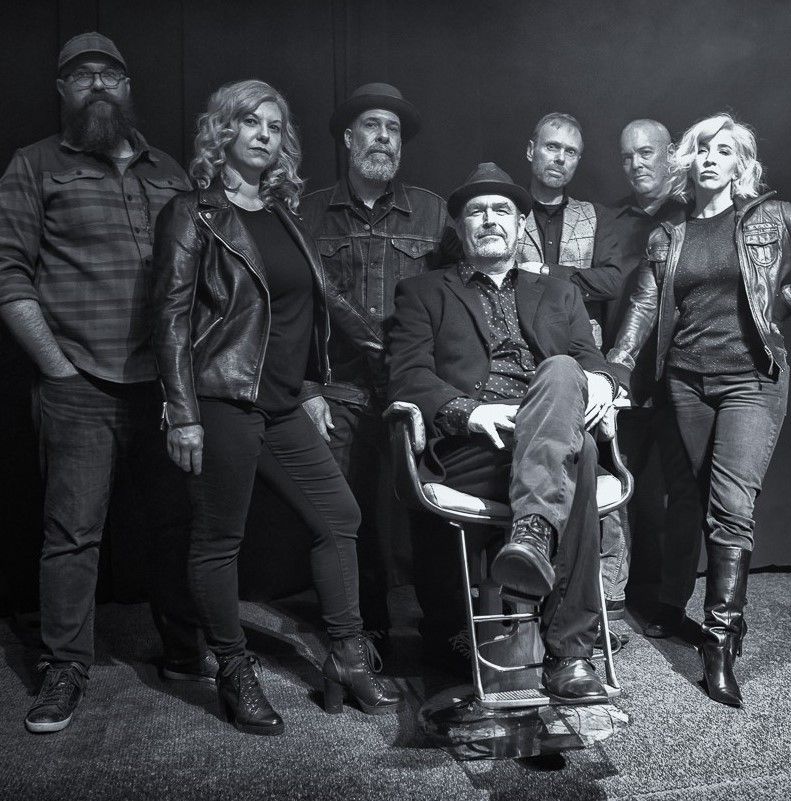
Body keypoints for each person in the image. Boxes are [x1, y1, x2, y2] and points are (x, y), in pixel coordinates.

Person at [152, 79, 402, 736]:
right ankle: (234, 670)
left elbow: (325, 302)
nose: (264, 134)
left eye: (274, 126)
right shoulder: (193, 213)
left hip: (284, 402)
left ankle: (347, 656)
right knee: (219, 539)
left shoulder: (282, 212)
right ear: (223, 131)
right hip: (222, 398)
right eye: (250, 123)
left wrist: (392, 353)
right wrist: (181, 411)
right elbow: (170, 317)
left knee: (338, 515)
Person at [0, 32, 209, 735]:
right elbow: (7, 274)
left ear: (127, 87)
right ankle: (64, 666)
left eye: (109, 74)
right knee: (72, 533)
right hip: (78, 380)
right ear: (62, 90)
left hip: (165, 386)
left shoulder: (169, 170)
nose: (96, 84)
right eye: (81, 74)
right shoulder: (35, 165)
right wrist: (56, 365)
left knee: (175, 526)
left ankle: (183, 650)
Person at [387, 162, 627, 703]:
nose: (490, 219)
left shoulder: (559, 292)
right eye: (477, 211)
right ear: (460, 227)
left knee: (565, 373)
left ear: (521, 225)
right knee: (581, 457)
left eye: (502, 210)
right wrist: (469, 412)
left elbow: (593, 359)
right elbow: (407, 375)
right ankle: (570, 655)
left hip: (548, 421)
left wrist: (603, 384)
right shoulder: (422, 291)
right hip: (476, 446)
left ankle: (532, 533)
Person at [608, 112, 791, 706]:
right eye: (702, 150)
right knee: (691, 497)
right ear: (688, 162)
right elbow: (643, 307)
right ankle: (694, 612)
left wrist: (786, 301)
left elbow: (776, 291)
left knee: (731, 507)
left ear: (741, 164)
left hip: (751, 381)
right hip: (686, 383)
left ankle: (719, 641)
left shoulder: (773, 217)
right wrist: (617, 368)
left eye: (724, 150)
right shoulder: (669, 237)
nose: (712, 158)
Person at [299, 84, 455, 648]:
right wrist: (305, 387)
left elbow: (459, 300)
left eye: (393, 130)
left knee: (430, 509)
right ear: (348, 138)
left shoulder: (435, 212)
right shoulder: (307, 212)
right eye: (372, 126)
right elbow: (289, 309)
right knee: (347, 514)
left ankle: (441, 631)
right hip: (338, 389)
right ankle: (363, 635)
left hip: (414, 388)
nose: (384, 138)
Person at [517, 112, 627, 617]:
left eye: (571, 152)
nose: (559, 158)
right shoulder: (505, 209)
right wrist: (575, 277)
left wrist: (545, 271)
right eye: (551, 147)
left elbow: (612, 281)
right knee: (537, 460)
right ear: (532, 150)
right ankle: (529, 587)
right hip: (522, 355)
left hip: (585, 356)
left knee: (596, 461)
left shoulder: (594, 216)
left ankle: (608, 592)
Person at [607, 120, 702, 637]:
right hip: (625, 378)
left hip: (682, 376)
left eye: (646, 153)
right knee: (617, 486)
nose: (636, 164)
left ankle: (668, 604)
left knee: (680, 494)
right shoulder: (611, 220)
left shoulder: (695, 212)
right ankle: (613, 598)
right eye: (626, 156)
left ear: (671, 155)